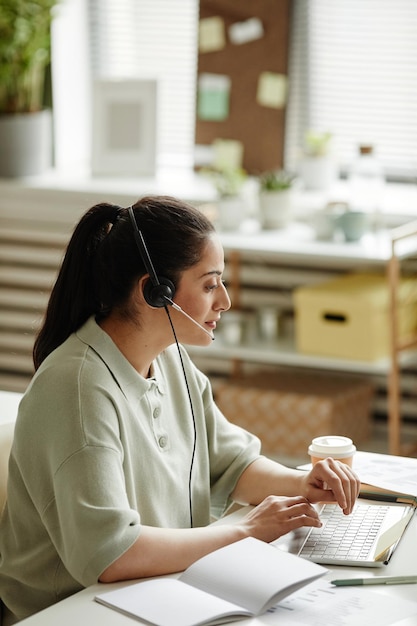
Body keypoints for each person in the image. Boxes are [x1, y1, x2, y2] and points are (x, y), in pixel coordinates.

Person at [0, 196, 360, 623]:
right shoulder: (76, 391)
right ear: (155, 291)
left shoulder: (169, 359)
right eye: (210, 285)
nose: (224, 301)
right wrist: (244, 531)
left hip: (160, 589)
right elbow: (110, 555)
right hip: (74, 611)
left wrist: (301, 483)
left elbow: (230, 464)